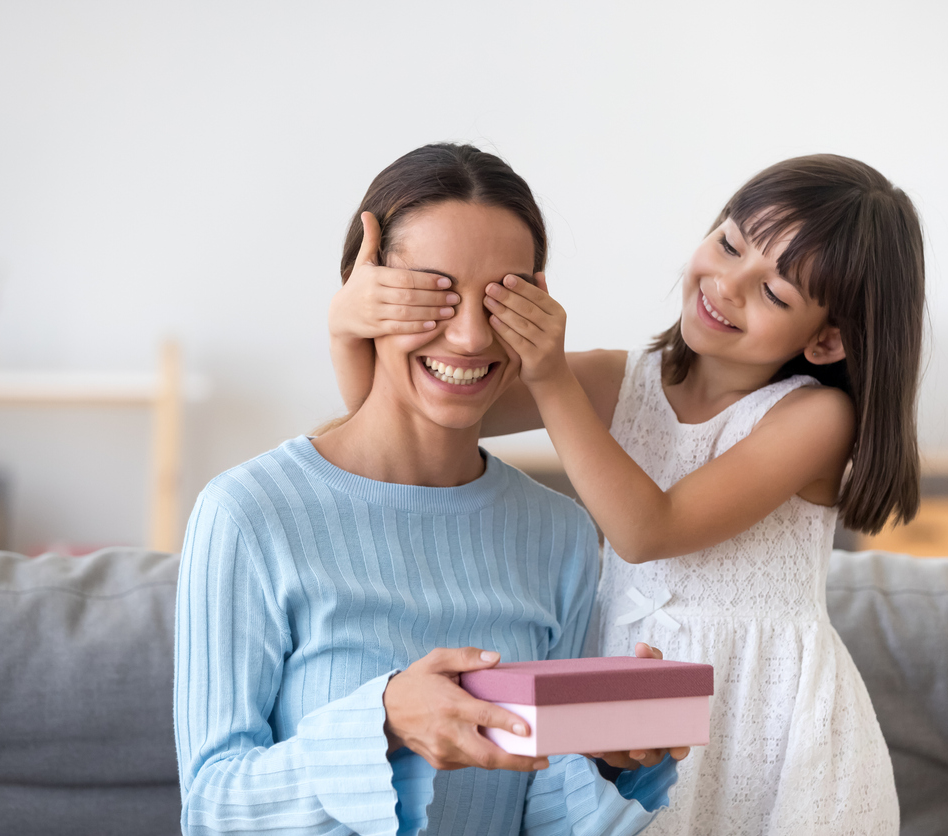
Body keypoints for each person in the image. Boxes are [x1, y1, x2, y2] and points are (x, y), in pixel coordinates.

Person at [331, 154, 924, 834]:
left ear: (826, 341)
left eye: (774, 294)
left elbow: (648, 531)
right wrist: (346, 324)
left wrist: (552, 379)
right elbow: (399, 415)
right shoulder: (620, 382)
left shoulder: (814, 418)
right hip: (629, 715)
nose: (728, 284)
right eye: (730, 244)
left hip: (761, 720)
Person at [174, 143, 685, 836]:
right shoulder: (247, 515)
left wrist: (607, 760)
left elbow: (541, 818)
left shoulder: (559, 534)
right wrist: (382, 722)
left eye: (502, 299)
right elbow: (213, 808)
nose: (471, 336)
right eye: (433, 294)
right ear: (367, 292)